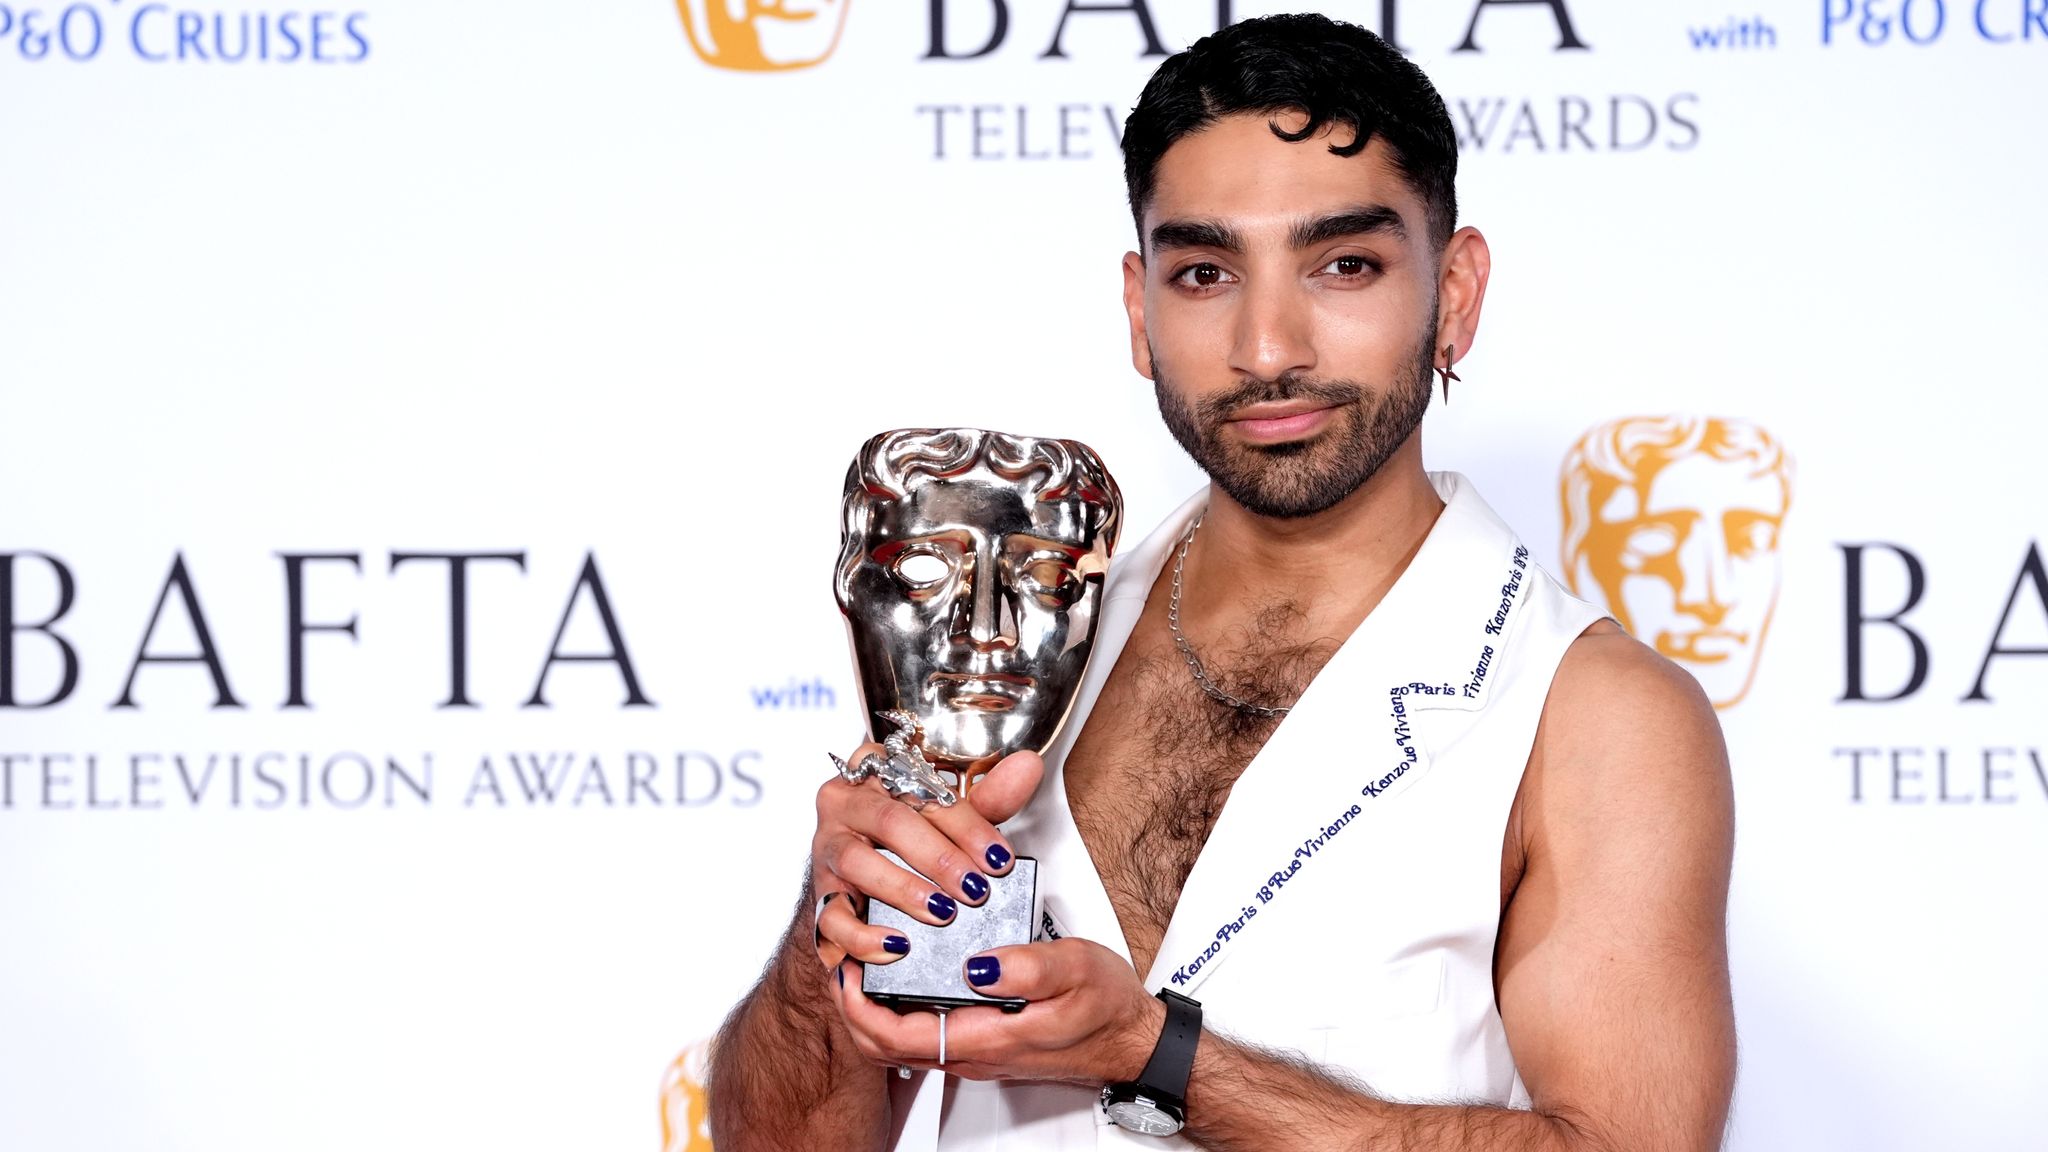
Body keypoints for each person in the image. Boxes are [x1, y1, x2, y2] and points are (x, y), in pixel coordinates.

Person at [708, 13, 1735, 1151]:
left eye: (1342, 264)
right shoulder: (1012, 638)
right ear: (1140, 310)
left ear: (1452, 293)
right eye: (1203, 272)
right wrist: (830, 931)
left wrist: (1151, 1056)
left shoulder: (1591, 711)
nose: (1265, 346)